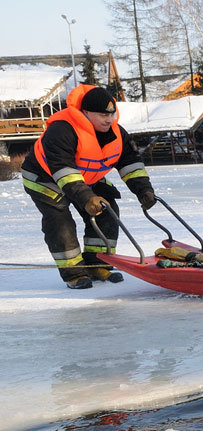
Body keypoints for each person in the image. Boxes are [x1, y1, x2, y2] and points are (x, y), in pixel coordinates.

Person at [21, 85, 156, 289]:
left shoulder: (118, 133)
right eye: (103, 115)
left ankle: (96, 264)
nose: (109, 119)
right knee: (60, 221)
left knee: (108, 209)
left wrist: (144, 190)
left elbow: (131, 163)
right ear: (85, 113)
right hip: (45, 179)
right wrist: (86, 198)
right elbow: (64, 171)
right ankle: (74, 274)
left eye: (112, 114)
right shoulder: (62, 130)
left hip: (84, 178)